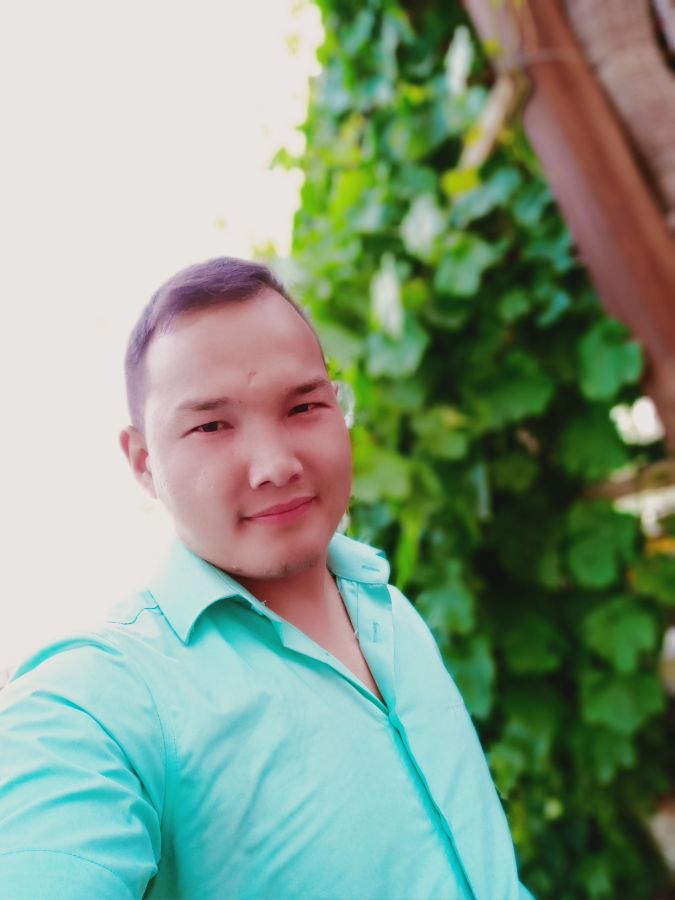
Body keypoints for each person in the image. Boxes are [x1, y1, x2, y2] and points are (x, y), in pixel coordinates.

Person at [0, 257, 532, 899]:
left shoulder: (388, 608)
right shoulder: (101, 698)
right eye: (211, 425)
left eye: (303, 406)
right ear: (143, 462)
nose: (276, 466)